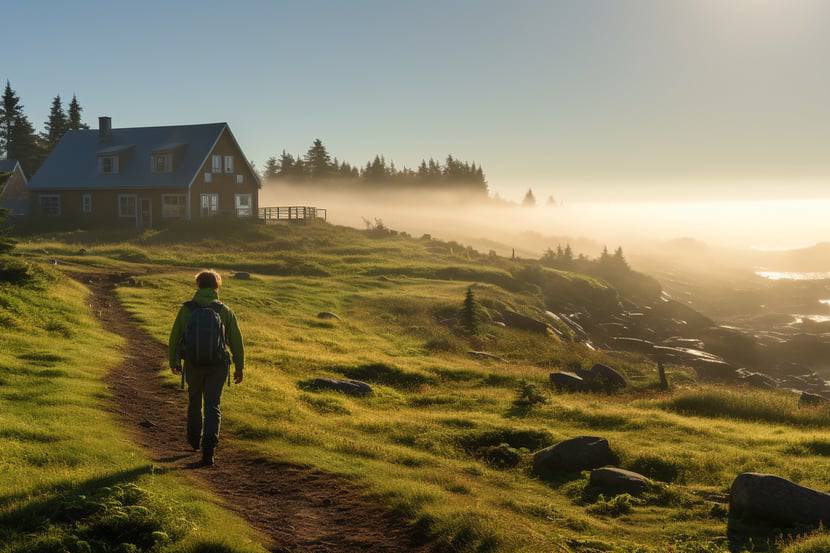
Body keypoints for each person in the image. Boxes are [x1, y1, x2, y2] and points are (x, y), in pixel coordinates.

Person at [169, 269, 244, 466]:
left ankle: (194, 440)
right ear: (216, 286)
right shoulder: (224, 310)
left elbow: (175, 336)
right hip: (218, 365)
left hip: (193, 363)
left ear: (198, 285)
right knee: (213, 405)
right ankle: (208, 450)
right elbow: (236, 340)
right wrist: (239, 367)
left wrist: (174, 361)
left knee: (194, 401)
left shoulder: (187, 309)